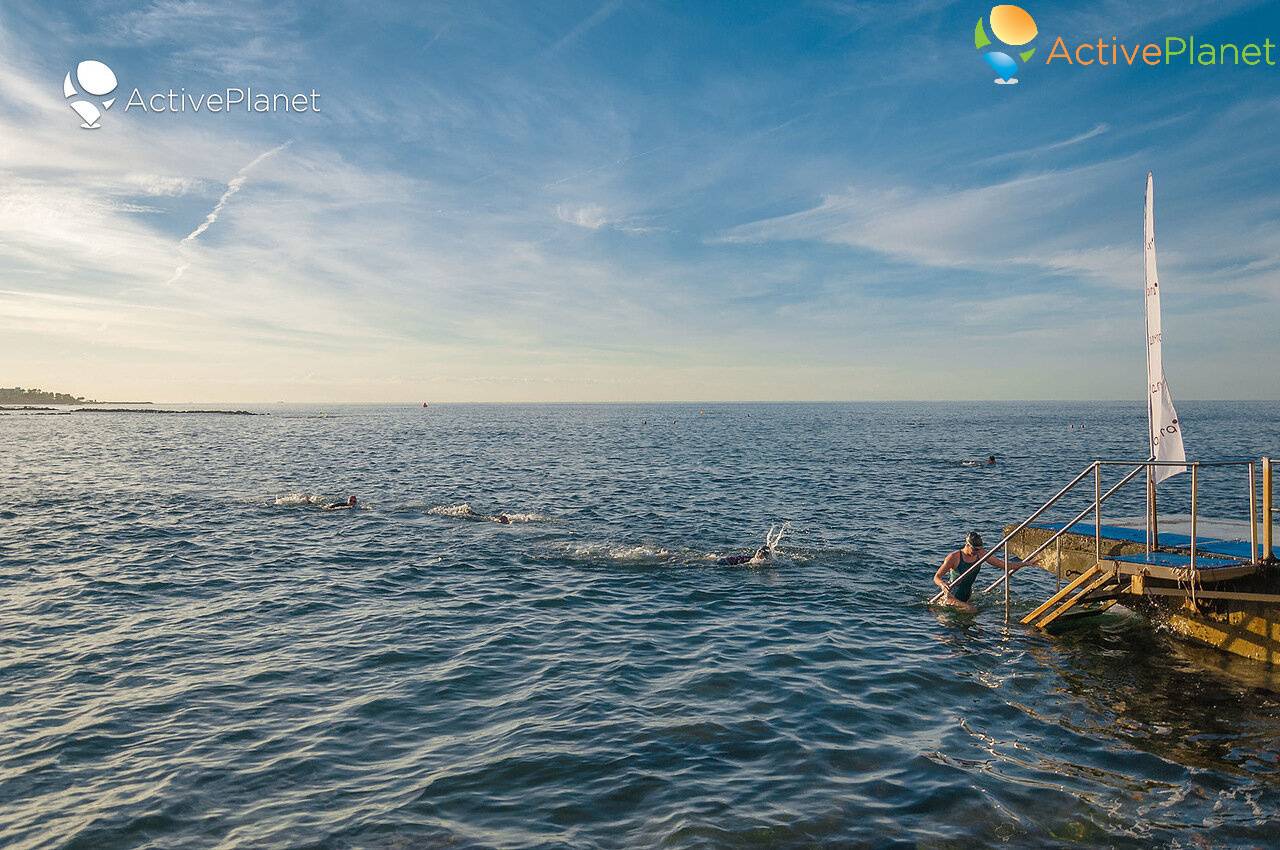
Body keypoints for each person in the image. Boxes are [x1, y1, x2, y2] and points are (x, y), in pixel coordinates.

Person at [932, 531, 1030, 610]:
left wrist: (1025, 563)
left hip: (967, 595)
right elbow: (937, 577)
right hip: (951, 596)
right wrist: (942, 584)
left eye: (980, 549)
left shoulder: (980, 554)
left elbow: (1003, 565)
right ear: (967, 545)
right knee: (971, 610)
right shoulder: (954, 557)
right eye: (975, 549)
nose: (977, 552)